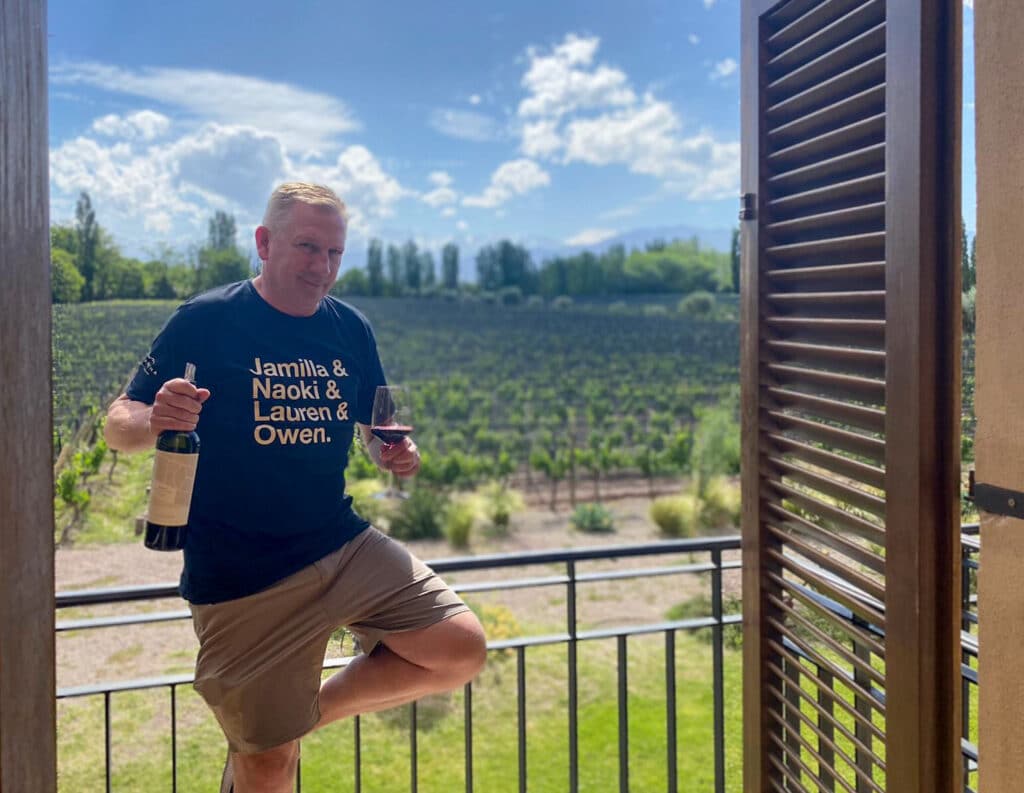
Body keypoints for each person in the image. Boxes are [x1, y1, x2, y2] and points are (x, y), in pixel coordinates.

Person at [104, 182, 487, 793]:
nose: (323, 267)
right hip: (242, 576)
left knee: (460, 648)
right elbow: (118, 423)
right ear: (264, 242)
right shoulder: (206, 320)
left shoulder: (351, 329)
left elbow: (370, 422)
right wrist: (154, 419)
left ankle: (303, 717)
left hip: (340, 543)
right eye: (308, 247)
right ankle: (277, 735)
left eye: (335, 253)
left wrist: (393, 451)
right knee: (267, 768)